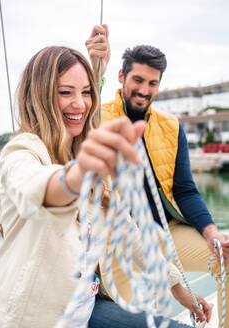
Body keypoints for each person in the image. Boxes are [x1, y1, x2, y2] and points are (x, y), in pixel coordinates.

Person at [0, 32, 210, 328]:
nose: (80, 104)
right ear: (39, 95)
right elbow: (39, 189)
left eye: (86, 92)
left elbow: (131, 236)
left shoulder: (82, 157)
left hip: (87, 311)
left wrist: (180, 289)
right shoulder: (23, 151)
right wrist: (79, 173)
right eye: (65, 92)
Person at [86, 24, 229, 328]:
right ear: (122, 76)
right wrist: (95, 67)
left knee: (228, 260)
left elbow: (186, 190)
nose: (144, 89)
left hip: (168, 233)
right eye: (138, 79)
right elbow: (83, 104)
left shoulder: (171, 125)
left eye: (153, 83)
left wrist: (211, 232)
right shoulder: (97, 116)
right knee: (128, 316)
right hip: (122, 241)